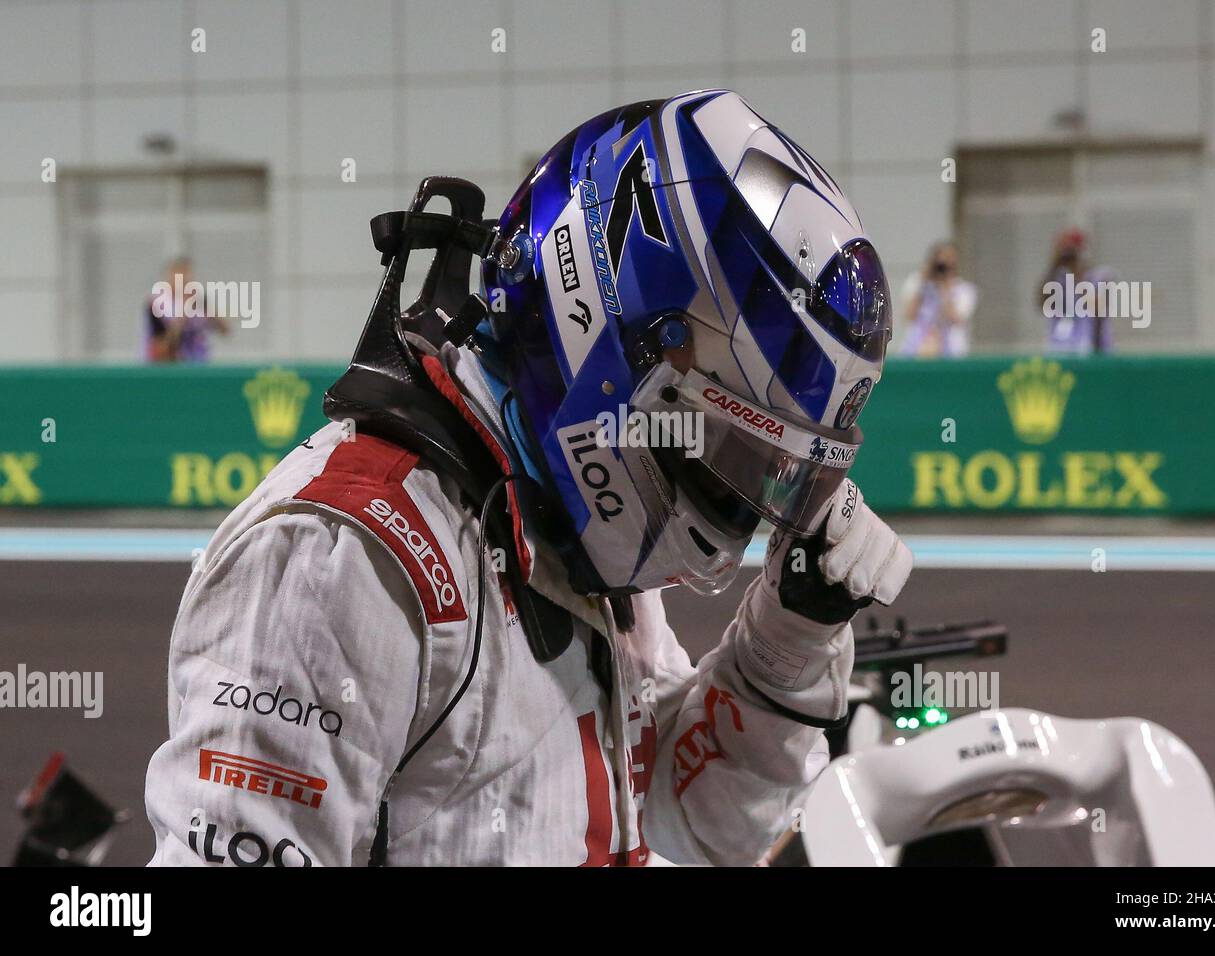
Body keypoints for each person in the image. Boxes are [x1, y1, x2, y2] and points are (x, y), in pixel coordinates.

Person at [143, 90, 913, 866]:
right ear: (603, 353)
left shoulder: (575, 525)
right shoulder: (343, 556)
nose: (742, 508)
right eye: (726, 453)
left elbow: (687, 827)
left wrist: (789, 638)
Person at [897, 241, 978, 358]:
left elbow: (956, 318)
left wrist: (944, 288)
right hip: (915, 348)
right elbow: (909, 315)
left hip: (951, 351)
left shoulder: (965, 290)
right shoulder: (917, 283)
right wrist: (923, 282)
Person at [1040, 228, 1114, 354]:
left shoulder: (1099, 276)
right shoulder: (1057, 278)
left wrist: (1077, 275)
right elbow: (1042, 302)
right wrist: (1056, 264)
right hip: (1060, 348)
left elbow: (1098, 310)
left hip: (1091, 348)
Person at [143, 256, 230, 363]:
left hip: (198, 363)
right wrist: (183, 314)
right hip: (168, 366)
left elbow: (225, 331)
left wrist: (211, 312)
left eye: (186, 273)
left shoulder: (198, 299)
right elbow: (161, 348)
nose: (183, 279)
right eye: (177, 274)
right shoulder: (156, 305)